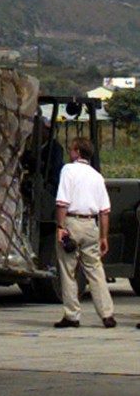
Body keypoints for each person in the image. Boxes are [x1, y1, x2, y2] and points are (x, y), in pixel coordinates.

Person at [52, 135, 116, 329]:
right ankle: (107, 314)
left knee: (68, 269)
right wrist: (103, 236)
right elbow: (105, 211)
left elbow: (62, 202)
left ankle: (72, 315)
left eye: (72, 149)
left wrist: (60, 226)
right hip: (91, 225)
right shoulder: (97, 176)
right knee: (95, 269)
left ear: (77, 152)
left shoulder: (68, 170)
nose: (70, 152)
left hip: (72, 222)